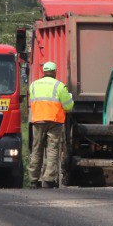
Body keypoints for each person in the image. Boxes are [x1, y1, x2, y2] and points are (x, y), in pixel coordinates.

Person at [28, 61, 74, 189]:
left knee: (36, 150)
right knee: (52, 150)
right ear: (55, 72)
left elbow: (32, 102)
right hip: (55, 121)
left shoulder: (33, 85)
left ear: (44, 71)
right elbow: (68, 106)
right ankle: (48, 180)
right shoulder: (59, 86)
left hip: (37, 121)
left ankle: (33, 180)